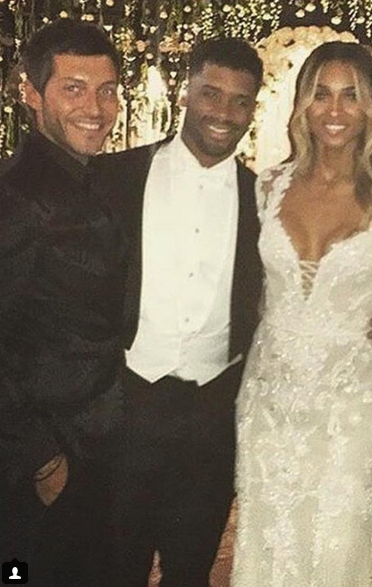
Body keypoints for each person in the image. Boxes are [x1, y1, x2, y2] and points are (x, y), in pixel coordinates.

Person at [231, 41, 372, 587]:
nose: (335, 110)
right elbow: (253, 290)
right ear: (302, 104)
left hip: (350, 403)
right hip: (269, 395)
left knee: (336, 545)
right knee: (267, 540)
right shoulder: (268, 187)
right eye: (321, 94)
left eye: (350, 96)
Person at [96, 38, 264, 587]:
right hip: (124, 406)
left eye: (240, 100)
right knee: (113, 568)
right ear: (185, 91)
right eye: (211, 93)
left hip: (212, 418)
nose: (224, 112)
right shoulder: (112, 177)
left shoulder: (264, 198)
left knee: (190, 572)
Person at [0, 18, 123, 587]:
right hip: (41, 466)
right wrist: (41, 457)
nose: (95, 108)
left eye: (107, 90)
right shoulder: (15, 197)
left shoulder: (93, 178)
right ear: (31, 94)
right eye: (74, 88)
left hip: (99, 451)